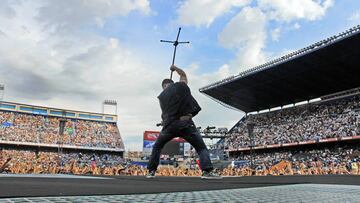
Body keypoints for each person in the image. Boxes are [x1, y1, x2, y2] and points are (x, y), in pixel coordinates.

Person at [147, 65, 221, 179]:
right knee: (201, 148)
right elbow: (183, 75)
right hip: (186, 124)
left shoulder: (161, 98)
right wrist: (174, 68)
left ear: (163, 87)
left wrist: (165, 122)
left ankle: (151, 171)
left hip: (169, 126)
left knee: (157, 146)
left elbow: (165, 115)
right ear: (173, 84)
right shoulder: (180, 86)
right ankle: (207, 171)